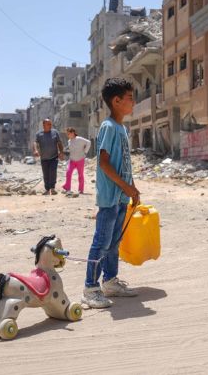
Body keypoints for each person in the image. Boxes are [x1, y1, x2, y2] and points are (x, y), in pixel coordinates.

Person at [82, 77, 139, 309]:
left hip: (122, 196)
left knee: (114, 242)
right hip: (109, 197)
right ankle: (90, 288)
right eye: (130, 98)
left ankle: (110, 281)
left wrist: (132, 188)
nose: (133, 102)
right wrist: (125, 187)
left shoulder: (122, 128)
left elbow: (124, 162)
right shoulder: (108, 127)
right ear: (116, 101)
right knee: (101, 242)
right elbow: (104, 162)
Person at [33, 118, 63, 195]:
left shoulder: (55, 132)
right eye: (48, 124)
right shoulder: (39, 134)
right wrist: (35, 150)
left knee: (53, 172)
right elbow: (35, 143)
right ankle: (47, 189)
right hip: (44, 158)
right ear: (44, 125)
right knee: (46, 173)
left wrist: (61, 152)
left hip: (54, 157)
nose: (50, 125)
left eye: (50, 124)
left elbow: (59, 143)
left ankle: (52, 188)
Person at [62, 127, 91, 195]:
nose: (68, 135)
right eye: (67, 134)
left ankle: (81, 190)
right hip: (72, 160)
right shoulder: (69, 141)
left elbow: (88, 142)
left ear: (73, 133)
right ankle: (68, 188)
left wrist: (85, 152)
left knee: (80, 175)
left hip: (80, 160)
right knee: (68, 173)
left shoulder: (79, 139)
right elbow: (71, 150)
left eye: (68, 134)